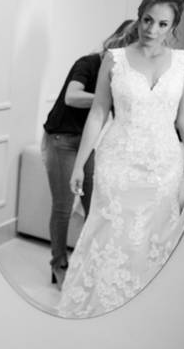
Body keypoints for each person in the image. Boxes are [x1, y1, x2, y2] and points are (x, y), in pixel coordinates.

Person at [57, 0, 184, 318]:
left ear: (173, 26)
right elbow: (98, 113)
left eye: (162, 24)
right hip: (117, 163)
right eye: (147, 20)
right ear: (139, 16)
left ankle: (140, 315)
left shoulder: (182, 62)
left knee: (154, 238)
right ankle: (95, 310)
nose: (152, 29)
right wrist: (79, 164)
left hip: (163, 168)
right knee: (108, 235)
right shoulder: (115, 58)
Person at [41, 19, 137, 289]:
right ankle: (59, 264)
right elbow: (72, 96)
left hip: (86, 144)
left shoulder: (122, 77)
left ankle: (87, 265)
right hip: (60, 140)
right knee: (63, 207)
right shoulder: (89, 63)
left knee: (95, 206)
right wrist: (105, 97)